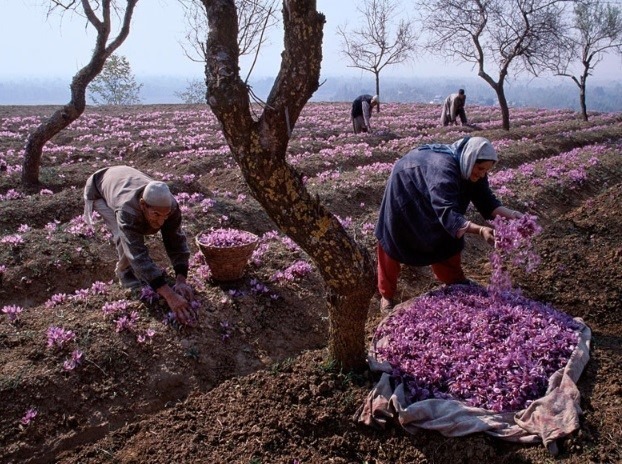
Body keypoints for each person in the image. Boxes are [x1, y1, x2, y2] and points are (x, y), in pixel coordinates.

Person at [374, 136, 522, 312]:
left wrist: (514, 216)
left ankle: (454, 279)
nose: (482, 174)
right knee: (394, 239)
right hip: (406, 189)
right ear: (470, 158)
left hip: (433, 189)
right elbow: (448, 213)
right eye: (480, 169)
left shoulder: (470, 166)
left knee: (446, 236)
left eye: (486, 171)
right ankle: (387, 296)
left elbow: (487, 201)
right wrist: (481, 230)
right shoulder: (444, 170)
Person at [83, 165, 196, 324]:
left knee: (158, 228)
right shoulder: (127, 209)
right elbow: (136, 252)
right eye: (156, 214)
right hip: (99, 188)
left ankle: (143, 275)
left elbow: (175, 240)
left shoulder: (171, 206)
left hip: (124, 179)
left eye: (166, 215)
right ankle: (125, 273)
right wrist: (169, 295)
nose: (161, 221)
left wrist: (181, 279)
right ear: (143, 205)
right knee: (122, 236)